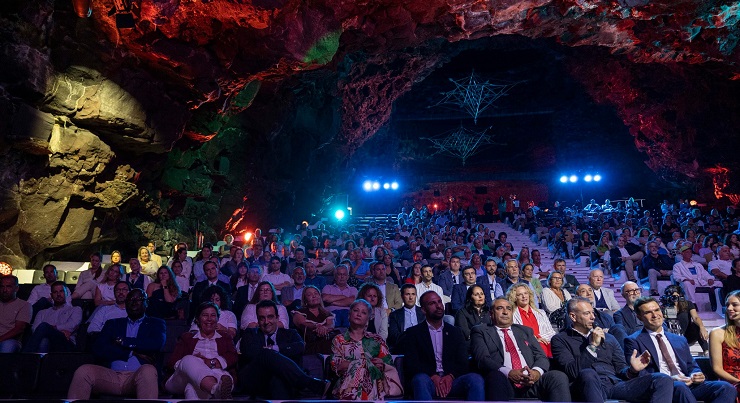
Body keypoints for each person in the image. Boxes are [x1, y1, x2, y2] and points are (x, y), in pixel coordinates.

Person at [551, 297, 673, 403]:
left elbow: (620, 368)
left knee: (662, 379)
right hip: (586, 386)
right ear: (573, 316)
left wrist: (632, 370)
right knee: (588, 374)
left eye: (593, 313)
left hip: (614, 384)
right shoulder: (560, 340)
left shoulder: (609, 338)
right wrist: (592, 345)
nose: (593, 317)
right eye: (587, 314)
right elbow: (572, 371)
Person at [625, 297, 736, 403]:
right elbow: (641, 374)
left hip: (688, 383)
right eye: (648, 312)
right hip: (664, 387)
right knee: (680, 387)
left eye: (657, 310)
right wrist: (670, 379)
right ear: (639, 317)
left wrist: (696, 374)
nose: (655, 315)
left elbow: (691, 365)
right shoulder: (633, 340)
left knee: (726, 387)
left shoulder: (679, 339)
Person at [67, 288, 166, 399]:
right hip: (111, 375)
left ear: (146, 303)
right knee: (83, 371)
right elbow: (99, 348)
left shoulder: (156, 323)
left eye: (138, 299)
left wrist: (123, 341)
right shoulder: (113, 324)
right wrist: (132, 352)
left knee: (148, 370)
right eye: (130, 299)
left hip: (137, 375)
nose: (134, 302)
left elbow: (155, 344)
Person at [470, 297, 571, 401]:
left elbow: (541, 356)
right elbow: (483, 359)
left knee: (557, 376)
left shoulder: (525, 331)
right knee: (496, 376)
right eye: (500, 308)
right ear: (491, 314)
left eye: (509, 309)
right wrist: (509, 373)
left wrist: (536, 372)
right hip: (504, 380)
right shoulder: (480, 331)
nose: (505, 312)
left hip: (531, 381)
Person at [398, 291, 485, 400]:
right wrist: (433, 376)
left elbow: (463, 362)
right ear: (423, 310)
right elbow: (412, 363)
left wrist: (450, 376)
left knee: (475, 379)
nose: (438, 305)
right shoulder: (413, 333)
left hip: (452, 381)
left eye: (439, 302)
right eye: (432, 303)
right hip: (428, 380)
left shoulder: (455, 332)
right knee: (420, 379)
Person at [239, 300, 329, 398]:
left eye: (270, 317)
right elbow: (249, 352)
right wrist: (270, 352)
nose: (266, 322)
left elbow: (300, 347)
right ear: (257, 319)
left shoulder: (290, 334)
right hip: (256, 379)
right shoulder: (250, 334)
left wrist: (275, 348)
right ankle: (308, 383)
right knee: (266, 353)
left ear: (277, 318)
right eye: (262, 318)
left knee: (277, 377)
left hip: (283, 381)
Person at [165, 302, 237, 399]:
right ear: (198, 319)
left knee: (191, 387)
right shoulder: (187, 337)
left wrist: (212, 362)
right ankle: (216, 389)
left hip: (218, 373)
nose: (209, 319)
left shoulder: (225, 337)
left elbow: (233, 356)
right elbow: (172, 362)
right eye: (205, 315)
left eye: (213, 315)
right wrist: (196, 363)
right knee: (188, 359)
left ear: (217, 319)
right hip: (182, 378)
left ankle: (216, 388)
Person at [330, 299, 394, 400]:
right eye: (356, 311)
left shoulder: (377, 340)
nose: (359, 314)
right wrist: (364, 364)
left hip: (375, 383)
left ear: (368, 319)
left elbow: (388, 364)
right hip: (345, 384)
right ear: (349, 315)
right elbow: (337, 366)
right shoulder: (339, 340)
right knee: (359, 370)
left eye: (363, 312)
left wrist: (381, 363)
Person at [23, 281, 82, 353]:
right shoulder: (42, 312)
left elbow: (72, 325)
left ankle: (24, 357)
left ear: (66, 293)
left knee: (44, 326)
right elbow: (35, 329)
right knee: (44, 340)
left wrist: (52, 328)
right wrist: (56, 329)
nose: (58, 294)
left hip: (66, 342)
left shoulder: (75, 309)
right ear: (51, 295)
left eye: (61, 291)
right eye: (55, 292)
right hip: (45, 340)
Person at [508, 283, 556, 357]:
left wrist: (539, 338)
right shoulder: (512, 315)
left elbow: (551, 332)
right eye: (519, 294)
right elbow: (515, 336)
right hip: (528, 347)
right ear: (514, 298)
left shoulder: (541, 313)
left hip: (547, 343)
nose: (524, 296)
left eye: (525, 293)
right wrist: (534, 340)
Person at [709, 290, 740, 401]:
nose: (729, 308)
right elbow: (717, 368)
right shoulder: (717, 333)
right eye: (727, 305)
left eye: (734, 305)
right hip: (731, 382)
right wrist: (738, 382)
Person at [292, 285, 335, 354]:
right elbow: (303, 323)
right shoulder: (299, 312)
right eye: (309, 294)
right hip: (308, 344)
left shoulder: (327, 314)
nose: (314, 296)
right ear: (305, 299)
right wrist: (317, 326)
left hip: (326, 341)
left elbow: (331, 325)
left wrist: (324, 328)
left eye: (316, 293)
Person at [0, 275, 31, 352]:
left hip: (10, 340)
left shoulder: (24, 305)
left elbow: (19, 329)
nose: (4, 290)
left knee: (8, 345)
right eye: (2, 287)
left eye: (8, 287)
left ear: (16, 288)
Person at [388, 284, 424, 350]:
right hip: (404, 347)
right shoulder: (395, 315)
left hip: (422, 346)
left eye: (413, 294)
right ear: (402, 297)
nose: (411, 297)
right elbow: (394, 336)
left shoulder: (424, 312)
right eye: (407, 294)